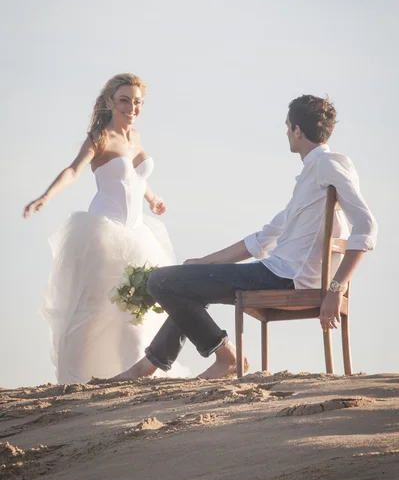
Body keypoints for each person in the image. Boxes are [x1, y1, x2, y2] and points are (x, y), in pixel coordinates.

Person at [112, 94, 378, 381]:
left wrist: (336, 289)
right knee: (183, 283)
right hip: (277, 271)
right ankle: (150, 365)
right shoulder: (311, 175)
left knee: (160, 281)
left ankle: (226, 358)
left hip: (284, 277)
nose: (287, 132)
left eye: (288, 126)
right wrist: (204, 262)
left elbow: (366, 226)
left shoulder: (326, 165)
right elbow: (262, 239)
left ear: (298, 131)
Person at [24, 73, 187, 383]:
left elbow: (136, 178)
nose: (131, 107)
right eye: (124, 100)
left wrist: (153, 199)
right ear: (111, 101)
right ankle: (77, 378)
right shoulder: (100, 137)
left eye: (137, 102)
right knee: (95, 309)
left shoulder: (135, 137)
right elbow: (73, 170)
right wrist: (46, 196)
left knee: (138, 308)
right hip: (104, 233)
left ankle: (133, 373)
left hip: (138, 234)